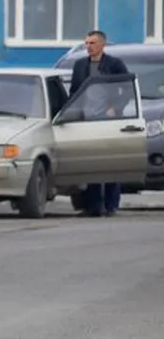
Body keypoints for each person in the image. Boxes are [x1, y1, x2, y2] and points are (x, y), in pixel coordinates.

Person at [69, 29, 129, 217]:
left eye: (92, 43)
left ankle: (111, 205)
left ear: (102, 44)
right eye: (86, 43)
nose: (89, 47)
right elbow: (74, 91)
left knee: (110, 163)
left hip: (109, 120)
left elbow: (127, 88)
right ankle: (93, 206)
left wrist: (115, 108)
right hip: (86, 120)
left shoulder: (114, 64)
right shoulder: (80, 65)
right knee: (90, 164)